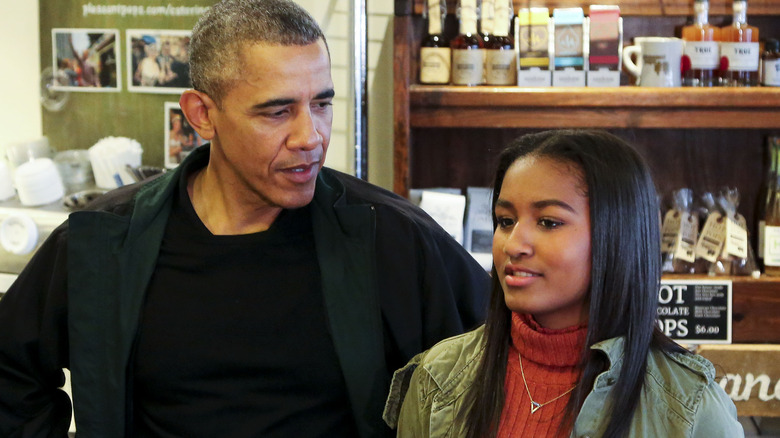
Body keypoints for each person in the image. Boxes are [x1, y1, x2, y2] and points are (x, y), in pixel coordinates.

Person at [0, 1, 489, 437]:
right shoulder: (104, 242)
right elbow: (11, 369)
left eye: (321, 103)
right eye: (277, 112)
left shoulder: (393, 237)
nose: (311, 136)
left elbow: (504, 353)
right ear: (202, 114)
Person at [383, 130, 743, 438]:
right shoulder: (438, 376)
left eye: (549, 222)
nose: (513, 244)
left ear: (616, 235)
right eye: (505, 220)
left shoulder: (689, 407)